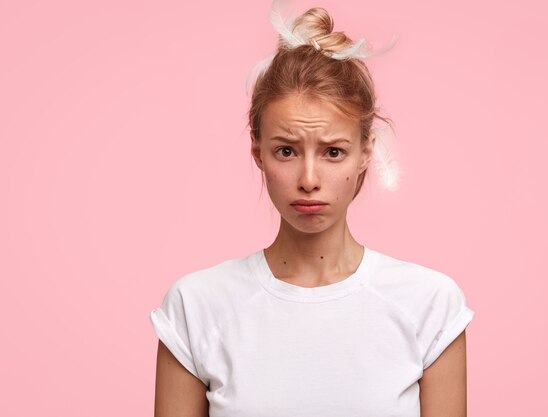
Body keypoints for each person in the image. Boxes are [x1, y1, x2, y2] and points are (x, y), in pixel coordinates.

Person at [149, 1, 475, 416]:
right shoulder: (196, 306)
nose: (308, 178)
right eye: (286, 150)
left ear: (364, 153)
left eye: (333, 152)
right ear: (258, 153)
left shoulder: (429, 305)